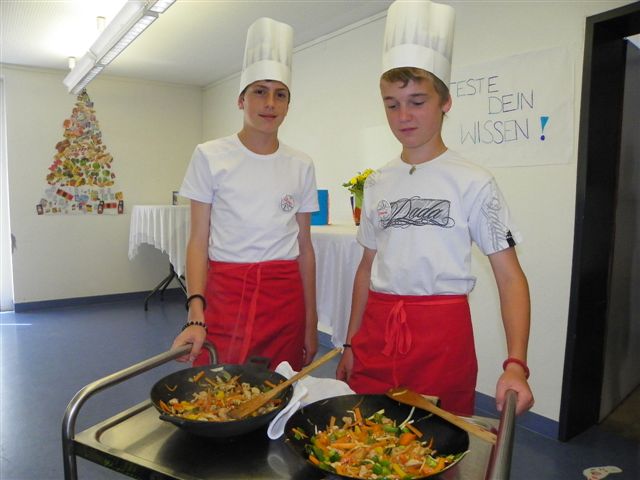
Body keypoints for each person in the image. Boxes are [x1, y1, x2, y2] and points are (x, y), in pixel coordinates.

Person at [336, 0, 534, 416]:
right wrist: (351, 342)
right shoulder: (377, 182)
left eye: (417, 101)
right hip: (377, 332)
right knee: (364, 435)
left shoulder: (473, 181)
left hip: (442, 338)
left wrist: (516, 364)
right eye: (392, 104)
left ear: (445, 102)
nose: (403, 116)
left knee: (435, 441)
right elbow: (366, 269)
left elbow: (510, 277)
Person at [171, 17, 319, 371]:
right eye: (259, 91)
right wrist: (196, 311)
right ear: (241, 100)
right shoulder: (210, 155)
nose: (270, 103)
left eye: (280, 94)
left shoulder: (301, 164)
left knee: (280, 388)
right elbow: (198, 240)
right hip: (226, 295)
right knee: (218, 386)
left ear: (288, 104)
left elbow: (305, 247)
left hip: (285, 300)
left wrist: (310, 321)